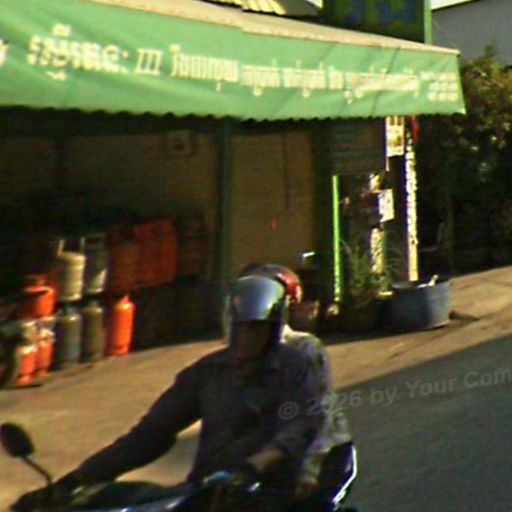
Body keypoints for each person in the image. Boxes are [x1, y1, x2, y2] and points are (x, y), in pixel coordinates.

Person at [12, 275, 323, 512]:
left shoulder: (295, 366)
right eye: (240, 327)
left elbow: (298, 428)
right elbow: (150, 434)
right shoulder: (207, 372)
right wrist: (75, 481)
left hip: (271, 495)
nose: (246, 337)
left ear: (273, 328)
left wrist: (254, 466)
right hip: (208, 493)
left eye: (255, 328)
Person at [238, 263, 358, 511]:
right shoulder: (238, 355)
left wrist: (309, 470)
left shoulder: (304, 348)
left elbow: (319, 414)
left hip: (326, 457)